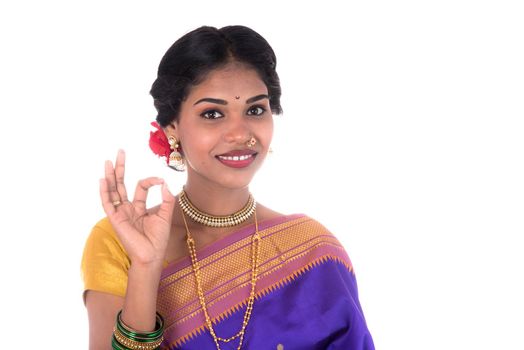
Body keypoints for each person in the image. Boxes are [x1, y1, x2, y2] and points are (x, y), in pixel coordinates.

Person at [81, 25, 375, 350]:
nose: (240, 133)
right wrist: (146, 268)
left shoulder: (311, 251)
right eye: (212, 113)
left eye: (255, 110)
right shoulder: (120, 242)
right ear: (172, 129)